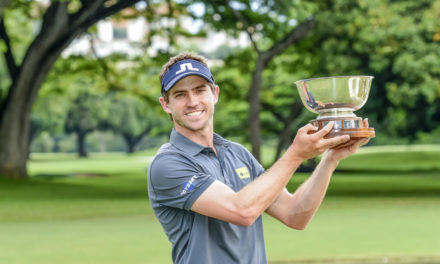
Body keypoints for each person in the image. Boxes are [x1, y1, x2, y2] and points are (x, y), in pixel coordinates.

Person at [147, 52, 369, 264]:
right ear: (166, 104)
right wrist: (296, 154)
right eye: (180, 94)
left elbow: (295, 215)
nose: (192, 101)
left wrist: (330, 159)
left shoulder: (237, 153)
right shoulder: (167, 164)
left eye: (199, 90)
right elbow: (241, 211)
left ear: (214, 94)